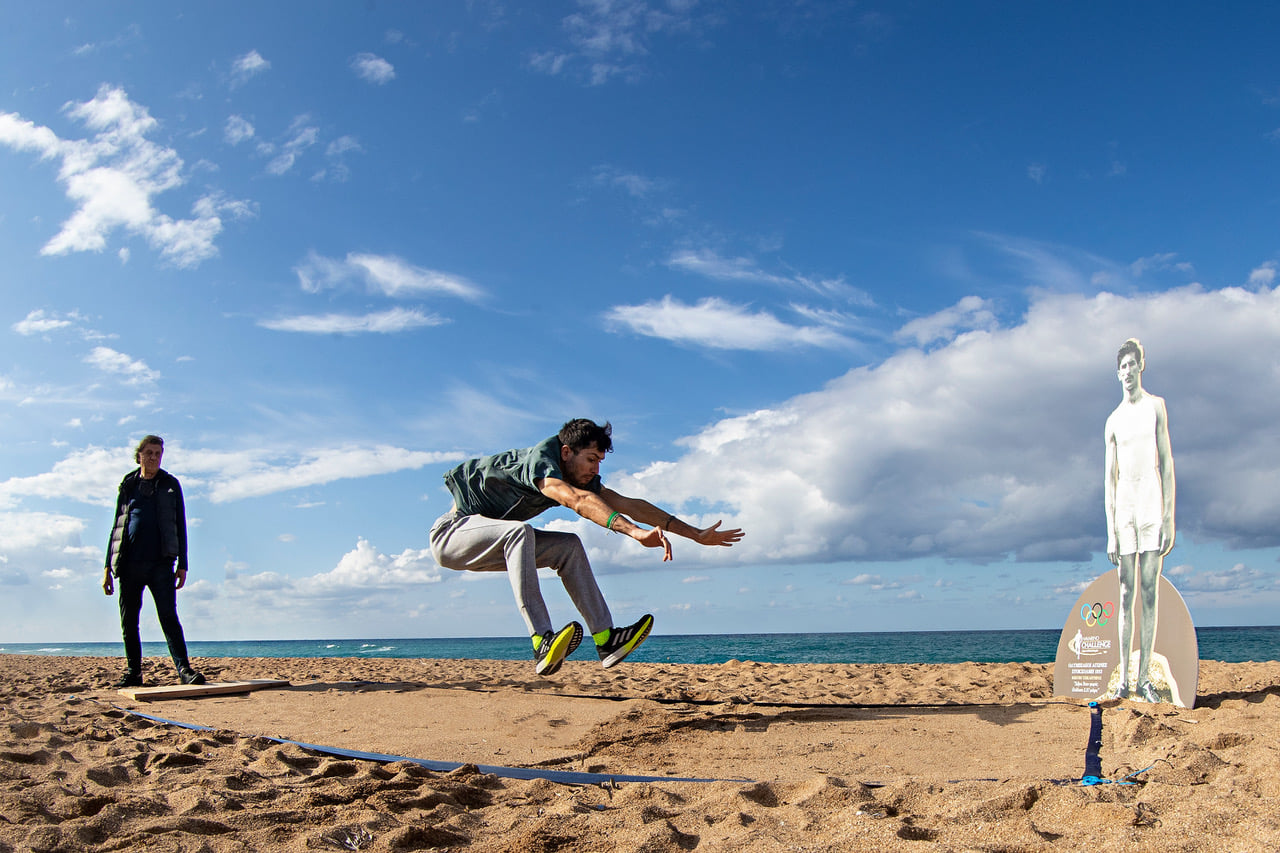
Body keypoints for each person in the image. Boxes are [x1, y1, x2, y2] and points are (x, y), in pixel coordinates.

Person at [430, 419, 745, 676]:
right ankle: (541, 640)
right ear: (566, 452)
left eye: (599, 462)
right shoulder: (541, 461)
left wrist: (695, 534)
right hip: (452, 535)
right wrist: (634, 533)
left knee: (569, 545)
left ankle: (606, 639)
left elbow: (627, 503)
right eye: (591, 460)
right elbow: (576, 501)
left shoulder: (579, 474)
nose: (596, 469)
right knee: (520, 533)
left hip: (496, 544)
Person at [1103, 339, 1176, 703]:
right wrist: (1110, 530)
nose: (1128, 371)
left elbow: (1166, 461)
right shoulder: (1113, 421)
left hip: (1151, 504)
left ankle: (1144, 678)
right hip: (1124, 511)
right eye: (1123, 366)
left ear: (1140, 366)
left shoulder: (1156, 407)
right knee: (1126, 593)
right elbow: (1109, 479)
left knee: (1150, 590)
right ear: (1117, 373)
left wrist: (1169, 517)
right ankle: (1122, 682)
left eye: (1133, 364)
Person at [102, 435, 205, 688]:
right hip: (129, 564)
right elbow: (117, 525)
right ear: (139, 455)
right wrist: (107, 566)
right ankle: (134, 672)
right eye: (149, 452)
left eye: (158, 453)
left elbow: (180, 524)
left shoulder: (170, 484)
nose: (154, 457)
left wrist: (183, 563)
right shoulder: (128, 484)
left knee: (168, 616)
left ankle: (184, 670)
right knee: (129, 620)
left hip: (161, 563)